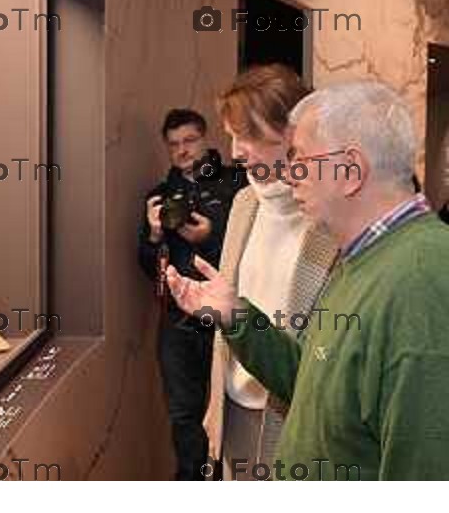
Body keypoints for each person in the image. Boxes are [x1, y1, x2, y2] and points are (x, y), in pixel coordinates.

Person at [166, 80, 449, 480]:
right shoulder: (365, 257)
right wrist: (236, 316)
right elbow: (312, 380)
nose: (288, 173)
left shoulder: (422, 281)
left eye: (300, 158)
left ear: (351, 171)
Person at [204, 64, 338, 481]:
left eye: (247, 136)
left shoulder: (333, 219)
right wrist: (215, 407)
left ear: (292, 133)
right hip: (233, 415)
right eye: (231, 136)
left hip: (298, 424)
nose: (235, 152)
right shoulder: (244, 203)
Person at [138, 108, 246, 480]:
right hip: (178, 321)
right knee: (183, 414)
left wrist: (210, 236)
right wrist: (154, 235)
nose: (182, 151)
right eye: (173, 145)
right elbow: (147, 267)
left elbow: (248, 250)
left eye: (189, 141)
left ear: (205, 138)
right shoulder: (160, 196)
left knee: (228, 406)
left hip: (225, 317)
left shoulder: (238, 186)